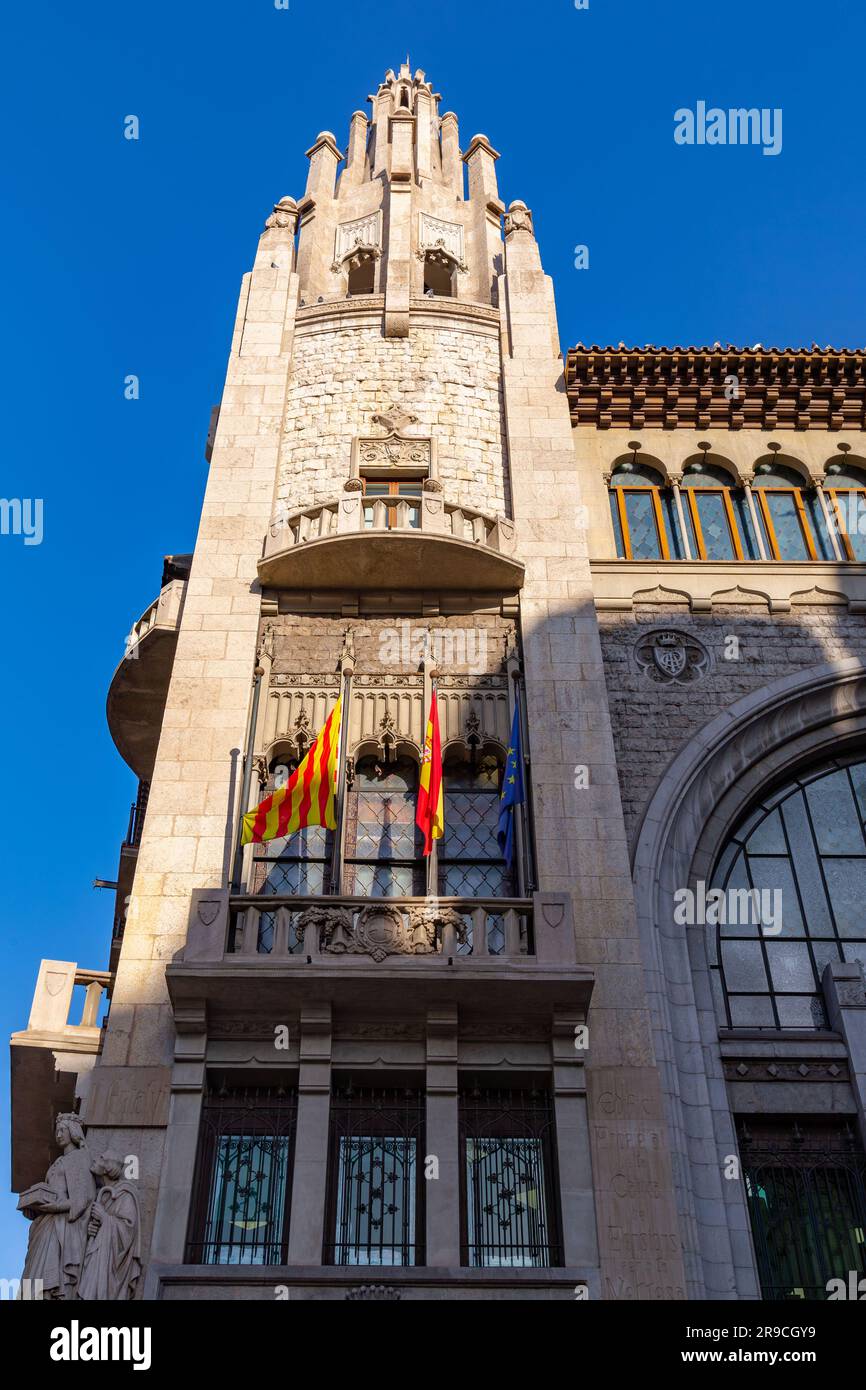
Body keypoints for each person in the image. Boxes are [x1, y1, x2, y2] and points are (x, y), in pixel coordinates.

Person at [21, 1113, 96, 1300]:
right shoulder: (57, 1163)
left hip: (62, 1225)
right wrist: (34, 1207)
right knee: (33, 1277)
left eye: (63, 1130)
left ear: (73, 1132)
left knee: (50, 1277)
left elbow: (83, 1198)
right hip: (45, 1223)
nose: (59, 1134)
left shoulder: (80, 1158)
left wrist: (55, 1207)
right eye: (57, 1130)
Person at [78, 1150, 141, 1301]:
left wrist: (105, 1218)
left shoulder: (125, 1194)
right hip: (95, 1256)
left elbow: (128, 1228)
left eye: (101, 1157)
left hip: (109, 1266)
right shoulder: (101, 1194)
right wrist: (91, 1230)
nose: (96, 1159)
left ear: (108, 1167)